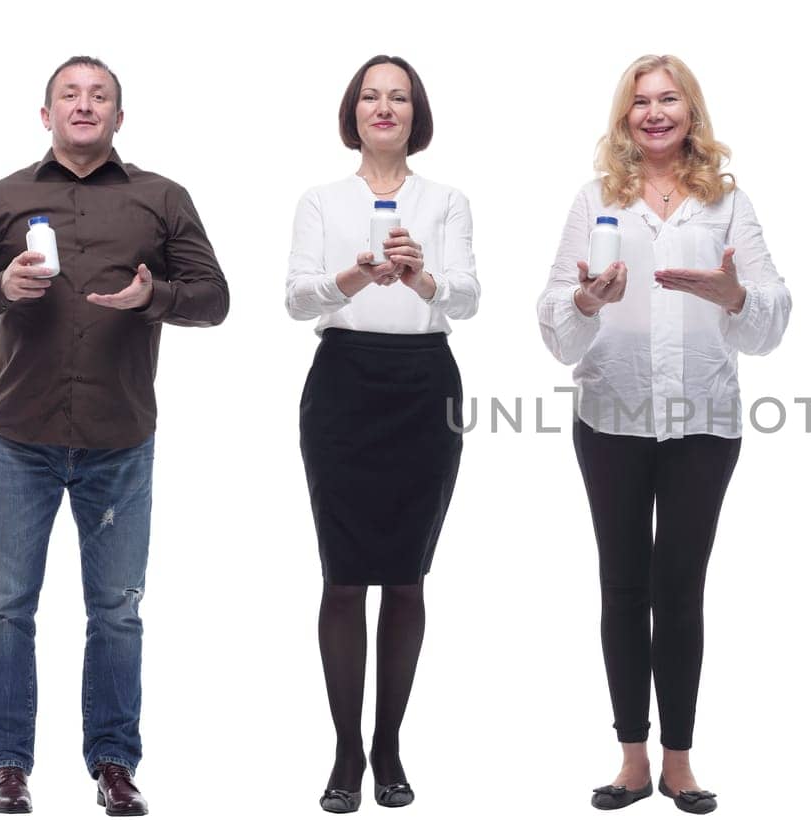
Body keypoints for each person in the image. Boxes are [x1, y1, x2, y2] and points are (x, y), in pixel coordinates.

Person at [0, 55, 229, 816]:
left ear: (120, 118)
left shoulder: (163, 198)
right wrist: (1, 287)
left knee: (117, 610)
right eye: (70, 95)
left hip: (120, 438)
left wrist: (150, 295)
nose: (84, 105)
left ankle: (114, 764)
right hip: (19, 436)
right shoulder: (3, 198)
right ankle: (7, 766)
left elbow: (214, 298)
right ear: (46, 114)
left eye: (100, 96)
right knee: (6, 606)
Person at [537, 53, 790, 815]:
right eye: (640, 101)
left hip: (703, 425)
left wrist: (734, 292)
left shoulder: (728, 204)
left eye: (668, 100)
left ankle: (679, 760)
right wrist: (583, 300)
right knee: (624, 586)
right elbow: (554, 323)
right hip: (610, 418)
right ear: (624, 117)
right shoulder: (595, 199)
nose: (654, 112)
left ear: (691, 112)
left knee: (680, 589)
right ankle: (631, 758)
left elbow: (771, 317)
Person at [286, 54, 479, 814]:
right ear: (353, 112)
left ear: (415, 113)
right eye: (371, 96)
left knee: (406, 575)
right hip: (343, 385)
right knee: (341, 575)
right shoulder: (320, 200)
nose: (384, 107)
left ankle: (390, 747)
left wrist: (422, 276)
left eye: (398, 96)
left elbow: (466, 296)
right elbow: (298, 300)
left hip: (424, 386)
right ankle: (344, 753)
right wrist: (354, 279)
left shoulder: (447, 200)